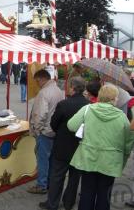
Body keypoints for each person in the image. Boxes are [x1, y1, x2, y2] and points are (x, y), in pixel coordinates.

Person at [67, 84, 134, 210]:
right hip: (110, 161)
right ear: (113, 99)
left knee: (87, 191)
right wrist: (124, 158)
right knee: (104, 194)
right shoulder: (121, 116)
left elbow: (71, 125)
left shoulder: (87, 109)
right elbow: (127, 142)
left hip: (87, 157)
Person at [39, 77, 89, 210]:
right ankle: (68, 202)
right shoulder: (88, 105)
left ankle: (52, 203)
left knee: (57, 176)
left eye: (69, 86)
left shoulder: (64, 104)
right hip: (79, 146)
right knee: (74, 177)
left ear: (72, 87)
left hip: (62, 146)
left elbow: (53, 124)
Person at [28, 69, 64, 194]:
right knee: (51, 160)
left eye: (37, 81)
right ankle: (48, 182)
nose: (37, 83)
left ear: (41, 79)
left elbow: (40, 115)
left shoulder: (44, 93)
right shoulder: (59, 90)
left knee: (43, 159)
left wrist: (38, 129)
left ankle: (41, 185)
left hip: (45, 132)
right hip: (54, 130)